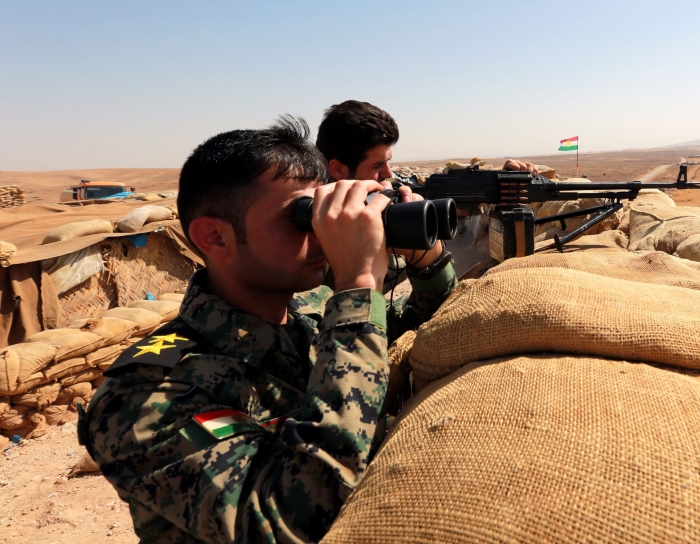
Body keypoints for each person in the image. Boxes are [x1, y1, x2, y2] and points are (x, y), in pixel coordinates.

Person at [79, 116, 455, 542]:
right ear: (215, 238)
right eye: (304, 216)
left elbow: (433, 325)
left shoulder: (306, 308)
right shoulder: (146, 395)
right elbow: (288, 520)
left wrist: (428, 260)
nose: (323, 231)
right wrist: (358, 285)